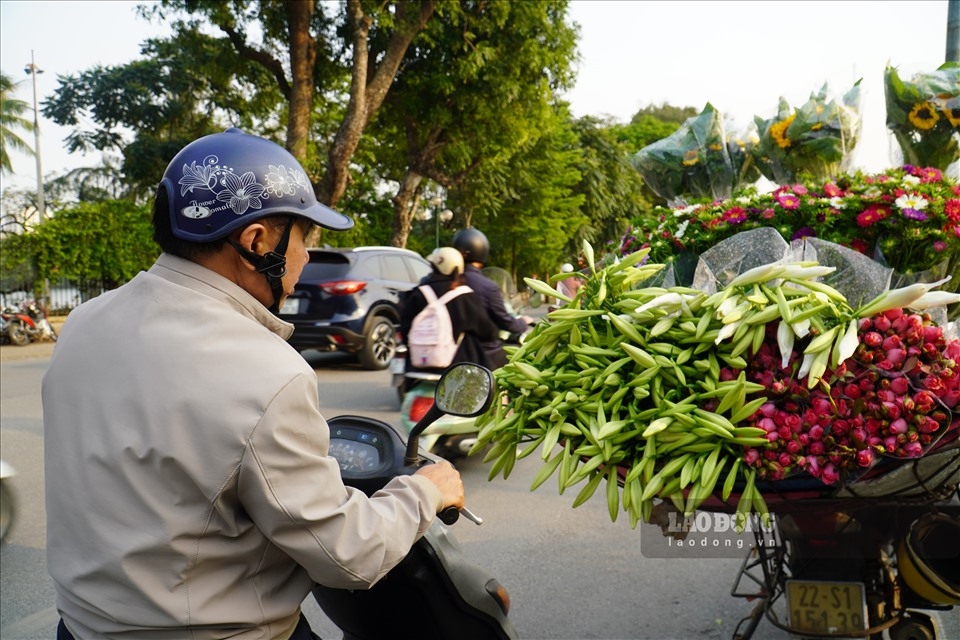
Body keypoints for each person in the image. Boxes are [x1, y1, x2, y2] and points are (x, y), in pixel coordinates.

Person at [42, 128, 464, 640]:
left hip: (81, 627)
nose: (306, 257)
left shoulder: (85, 323)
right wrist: (423, 491)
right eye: (304, 236)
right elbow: (347, 556)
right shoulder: (266, 371)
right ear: (257, 240)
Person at [398, 247, 499, 382]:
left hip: (416, 368)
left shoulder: (417, 293)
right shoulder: (464, 296)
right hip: (456, 368)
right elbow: (486, 330)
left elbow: (405, 330)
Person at [452, 228, 533, 369]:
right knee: (522, 360)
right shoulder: (487, 286)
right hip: (482, 351)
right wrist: (522, 322)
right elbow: (505, 322)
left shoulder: (444, 281)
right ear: (482, 250)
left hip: (448, 350)